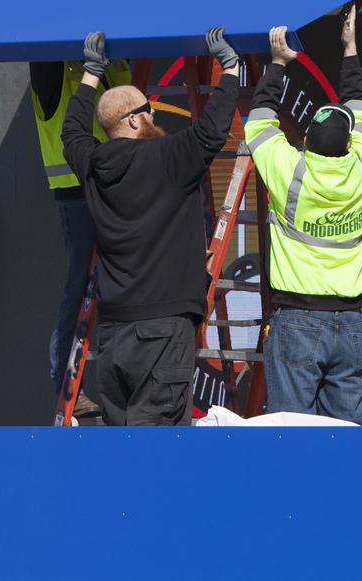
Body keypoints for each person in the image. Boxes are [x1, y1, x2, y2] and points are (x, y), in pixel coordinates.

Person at [61, 28, 241, 425]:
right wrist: (230, 69)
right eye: (149, 109)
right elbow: (212, 131)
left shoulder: (92, 166)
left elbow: (72, 132)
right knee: (159, 449)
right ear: (134, 119)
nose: (155, 114)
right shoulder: (169, 156)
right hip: (163, 329)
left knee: (124, 441)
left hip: (114, 334)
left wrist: (91, 74)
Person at [244, 6, 362, 424]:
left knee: (291, 439)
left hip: (299, 322)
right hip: (352, 325)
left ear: (304, 140)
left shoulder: (289, 170)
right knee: (350, 443)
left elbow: (261, 119)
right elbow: (360, 104)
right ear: (350, 143)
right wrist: (350, 46)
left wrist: (278, 63)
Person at [30, 58, 132, 399]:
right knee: (80, 287)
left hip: (118, 188)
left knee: (122, 287)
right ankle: (64, 382)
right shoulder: (56, 69)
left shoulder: (116, 63)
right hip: (77, 192)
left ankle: (119, 383)